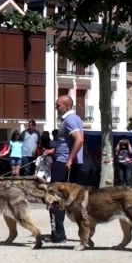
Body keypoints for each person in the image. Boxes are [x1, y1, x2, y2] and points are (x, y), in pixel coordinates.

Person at [42, 95, 84, 243]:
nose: (56, 107)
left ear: (67, 106)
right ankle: (81, 234)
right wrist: (52, 151)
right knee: (73, 201)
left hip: (64, 164)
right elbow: (67, 143)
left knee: (54, 199)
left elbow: (79, 139)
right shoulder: (73, 119)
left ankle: (58, 235)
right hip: (66, 160)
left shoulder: (70, 120)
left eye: (57, 105)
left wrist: (69, 159)